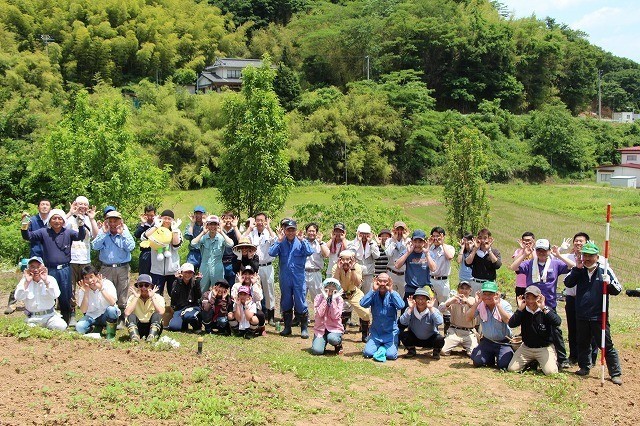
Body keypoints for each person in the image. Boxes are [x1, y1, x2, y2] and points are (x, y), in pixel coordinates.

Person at [509, 238, 575, 368]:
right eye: (539, 250)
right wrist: (524, 253)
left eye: (544, 250)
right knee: (531, 328)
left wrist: (559, 255)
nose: (542, 253)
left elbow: (572, 266)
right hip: (531, 303)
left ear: (549, 250)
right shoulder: (529, 263)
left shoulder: (555, 263)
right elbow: (513, 267)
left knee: (555, 331)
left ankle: (562, 358)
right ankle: (531, 357)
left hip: (548, 303)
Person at [564, 242, 623, 385]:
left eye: (590, 256)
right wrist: (577, 269)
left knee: (606, 344)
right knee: (582, 343)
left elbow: (618, 289)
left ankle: (615, 373)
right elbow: (568, 283)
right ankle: (584, 366)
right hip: (582, 315)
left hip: (599, 316)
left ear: (597, 257)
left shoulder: (604, 270)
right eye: (585, 255)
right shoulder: (578, 270)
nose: (587, 258)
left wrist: (609, 284)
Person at [21, 208, 86, 326]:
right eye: (54, 218)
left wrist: (81, 225)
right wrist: (25, 224)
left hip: (65, 270)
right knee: (48, 294)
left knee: (65, 296)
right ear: (50, 221)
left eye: (60, 218)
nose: (57, 221)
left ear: (63, 221)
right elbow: (28, 236)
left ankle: (66, 321)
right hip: (49, 270)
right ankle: (47, 319)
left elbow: (80, 236)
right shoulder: (43, 232)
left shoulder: (68, 232)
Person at [268, 219, 315, 338]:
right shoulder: (281, 242)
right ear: (284, 230)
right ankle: (287, 328)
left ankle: (304, 329)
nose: (290, 233)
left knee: (300, 302)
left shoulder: (301, 242)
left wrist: (303, 240)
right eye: (288, 230)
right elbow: (271, 253)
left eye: (292, 230)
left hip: (298, 278)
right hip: (285, 278)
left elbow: (309, 252)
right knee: (286, 302)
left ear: (296, 230)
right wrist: (278, 240)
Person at [91, 210, 136, 329]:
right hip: (106, 267)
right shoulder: (103, 232)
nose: (112, 223)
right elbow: (95, 246)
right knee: (106, 291)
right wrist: (104, 233)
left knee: (122, 292)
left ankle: (121, 318)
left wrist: (122, 234)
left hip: (122, 267)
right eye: (110, 221)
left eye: (115, 221)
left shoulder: (124, 232)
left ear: (120, 221)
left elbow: (131, 247)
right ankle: (109, 318)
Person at [7, 199, 52, 316]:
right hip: (36, 254)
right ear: (38, 207)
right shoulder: (32, 220)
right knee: (28, 277)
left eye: (47, 205)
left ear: (50, 208)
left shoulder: (53, 220)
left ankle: (50, 302)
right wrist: (24, 223)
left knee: (47, 278)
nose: (45, 207)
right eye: (42, 204)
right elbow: (26, 236)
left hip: (49, 254)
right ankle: (12, 301)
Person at [507, 286, 560, 375]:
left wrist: (543, 308)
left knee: (551, 372)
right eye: (528, 298)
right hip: (526, 348)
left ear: (539, 297)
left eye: (534, 298)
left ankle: (550, 358)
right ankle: (532, 362)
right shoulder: (523, 310)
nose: (531, 301)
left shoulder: (545, 310)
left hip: (543, 348)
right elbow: (511, 324)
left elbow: (557, 322)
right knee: (512, 369)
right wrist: (519, 309)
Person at [65, 196, 99, 327]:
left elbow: (96, 236)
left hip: (85, 258)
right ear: (75, 204)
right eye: (80, 204)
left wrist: (92, 218)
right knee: (71, 288)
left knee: (88, 286)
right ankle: (72, 314)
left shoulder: (89, 220)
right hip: (71, 258)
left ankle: (88, 314)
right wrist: (70, 213)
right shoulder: (69, 219)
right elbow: (58, 226)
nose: (83, 207)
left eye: (85, 204)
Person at [467, 281, 514, 369]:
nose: (487, 297)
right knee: (477, 362)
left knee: (504, 365)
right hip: (487, 341)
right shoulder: (480, 305)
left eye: (490, 294)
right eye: (485, 294)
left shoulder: (504, 305)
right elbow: (468, 318)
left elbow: (509, 321)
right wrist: (476, 303)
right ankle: (489, 357)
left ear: (496, 294)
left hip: (503, 342)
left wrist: (498, 305)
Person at [360, 273, 405, 361]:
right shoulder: (373, 294)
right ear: (376, 281)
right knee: (367, 353)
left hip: (390, 333)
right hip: (376, 333)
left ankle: (383, 348)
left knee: (391, 355)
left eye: (385, 281)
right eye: (380, 281)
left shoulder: (393, 294)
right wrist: (373, 290)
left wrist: (391, 290)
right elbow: (363, 304)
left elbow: (401, 305)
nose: (382, 284)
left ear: (390, 282)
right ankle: (380, 347)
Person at [13, 256, 67, 331]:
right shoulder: (24, 281)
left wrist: (46, 282)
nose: (35, 270)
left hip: (50, 316)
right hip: (33, 318)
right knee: (30, 331)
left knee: (61, 326)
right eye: (32, 267)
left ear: (43, 268)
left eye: (38, 267)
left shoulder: (51, 279)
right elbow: (18, 297)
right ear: (28, 269)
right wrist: (27, 283)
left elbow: (55, 295)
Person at [332, 250, 371, 342]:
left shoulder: (357, 267)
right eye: (343, 259)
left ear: (352, 259)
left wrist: (352, 269)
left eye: (348, 259)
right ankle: (339, 330)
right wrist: (338, 269)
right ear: (340, 259)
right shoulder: (336, 267)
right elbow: (334, 283)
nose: (345, 261)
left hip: (354, 293)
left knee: (365, 312)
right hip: (340, 293)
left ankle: (365, 332)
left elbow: (357, 283)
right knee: (335, 312)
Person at [245, 212, 277, 324]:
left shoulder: (269, 233)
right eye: (257, 220)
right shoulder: (252, 233)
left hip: (267, 266)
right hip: (254, 266)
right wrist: (250, 227)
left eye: (262, 220)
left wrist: (269, 227)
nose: (259, 223)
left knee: (269, 291)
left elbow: (276, 241)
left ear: (265, 221)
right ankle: (257, 313)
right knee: (255, 290)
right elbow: (242, 239)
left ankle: (271, 315)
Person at [393, 229, 436, 310]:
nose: (417, 244)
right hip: (410, 289)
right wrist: (408, 253)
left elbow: (433, 268)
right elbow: (397, 265)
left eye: (420, 242)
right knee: (406, 314)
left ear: (424, 242)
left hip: (424, 290)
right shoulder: (407, 251)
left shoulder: (428, 253)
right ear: (411, 241)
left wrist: (427, 254)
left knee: (424, 315)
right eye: (415, 241)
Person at [191, 215, 234, 293]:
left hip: (217, 266)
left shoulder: (221, 238)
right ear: (207, 225)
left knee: (218, 290)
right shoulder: (203, 238)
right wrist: (203, 232)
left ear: (218, 225)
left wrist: (221, 232)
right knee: (202, 289)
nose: (212, 227)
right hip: (204, 266)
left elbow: (231, 244)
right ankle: (201, 304)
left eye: (215, 224)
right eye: (210, 224)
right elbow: (193, 243)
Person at [144, 209, 183, 296]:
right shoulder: (154, 229)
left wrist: (174, 230)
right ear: (160, 218)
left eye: (169, 219)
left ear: (173, 220)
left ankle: (174, 309)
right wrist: (156, 226)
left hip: (172, 270)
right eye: (164, 218)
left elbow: (176, 246)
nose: (166, 221)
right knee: (156, 294)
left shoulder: (177, 231)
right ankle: (158, 309)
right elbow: (144, 237)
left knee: (174, 294)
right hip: (157, 270)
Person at [75, 265, 120, 339]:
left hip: (106, 315)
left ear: (97, 276)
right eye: (86, 278)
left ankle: (111, 334)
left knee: (112, 310)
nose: (89, 281)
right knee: (79, 327)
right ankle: (93, 328)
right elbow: (83, 310)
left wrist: (101, 289)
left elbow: (112, 302)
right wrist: (86, 292)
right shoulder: (83, 289)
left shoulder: (107, 284)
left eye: (91, 277)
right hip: (92, 316)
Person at [399, 287, 444, 359]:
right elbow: (402, 322)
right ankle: (411, 350)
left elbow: (439, 322)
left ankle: (436, 352)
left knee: (440, 339)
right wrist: (410, 309)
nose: (420, 301)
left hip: (430, 339)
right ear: (414, 300)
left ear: (427, 300)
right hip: (415, 338)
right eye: (418, 299)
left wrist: (431, 309)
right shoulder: (410, 309)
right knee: (403, 334)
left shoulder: (433, 310)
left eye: (423, 299)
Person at [427, 226, 455, 331]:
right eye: (434, 236)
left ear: (443, 237)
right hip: (430, 280)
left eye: (438, 236)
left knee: (445, 305)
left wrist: (442, 243)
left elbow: (450, 256)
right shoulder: (429, 248)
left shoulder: (448, 247)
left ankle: (447, 331)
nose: (436, 239)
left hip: (443, 280)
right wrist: (429, 244)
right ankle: (433, 331)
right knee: (432, 305)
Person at [440, 281, 478, 357]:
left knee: (474, 354)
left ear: (470, 290)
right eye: (462, 288)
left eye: (466, 289)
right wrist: (449, 302)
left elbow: (477, 312)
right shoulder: (453, 299)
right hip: (454, 331)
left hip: (468, 332)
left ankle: (468, 348)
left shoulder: (473, 300)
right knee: (443, 351)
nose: (464, 291)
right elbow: (441, 309)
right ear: (458, 289)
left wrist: (467, 302)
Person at [124, 274, 165, 342]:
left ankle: (151, 337)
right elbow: (127, 313)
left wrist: (152, 297)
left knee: (157, 315)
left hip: (152, 326)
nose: (143, 288)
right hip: (138, 327)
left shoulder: (158, 297)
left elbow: (161, 312)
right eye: (140, 285)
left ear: (151, 286)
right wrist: (136, 297)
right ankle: (135, 337)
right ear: (137, 287)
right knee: (131, 316)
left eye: (146, 285)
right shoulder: (133, 298)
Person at [311, 278, 345, 355]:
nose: (330, 289)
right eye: (328, 286)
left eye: (333, 287)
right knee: (317, 351)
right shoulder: (318, 297)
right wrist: (325, 299)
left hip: (334, 329)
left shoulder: (339, 300)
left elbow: (335, 316)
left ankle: (338, 344)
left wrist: (333, 299)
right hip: (320, 329)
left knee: (332, 339)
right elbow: (319, 314)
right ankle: (321, 342)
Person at [465, 228, 502, 295]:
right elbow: (467, 263)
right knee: (475, 303)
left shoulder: (494, 252)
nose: (482, 240)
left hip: (489, 284)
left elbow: (497, 265)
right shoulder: (474, 251)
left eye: (485, 238)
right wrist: (475, 249)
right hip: (476, 283)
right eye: (480, 237)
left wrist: (489, 251)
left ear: (489, 239)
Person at [230, 265, 265, 335]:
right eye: (245, 274)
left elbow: (259, 298)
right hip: (239, 307)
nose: (247, 276)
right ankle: (237, 330)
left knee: (260, 314)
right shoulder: (237, 284)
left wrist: (254, 283)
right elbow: (233, 296)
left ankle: (260, 329)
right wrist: (239, 283)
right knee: (230, 313)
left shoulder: (256, 285)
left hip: (252, 308)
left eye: (250, 274)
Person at [167, 263, 202, 332]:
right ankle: (183, 323)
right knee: (174, 327)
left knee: (188, 316)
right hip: (180, 308)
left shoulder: (194, 282)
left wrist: (197, 283)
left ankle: (197, 326)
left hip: (193, 307)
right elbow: (173, 297)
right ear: (181, 272)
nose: (188, 274)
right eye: (185, 272)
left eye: (190, 272)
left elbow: (199, 296)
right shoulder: (176, 282)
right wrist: (179, 282)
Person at [348, 223, 380, 294]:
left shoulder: (373, 243)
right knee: (353, 294)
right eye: (362, 234)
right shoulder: (352, 243)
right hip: (356, 273)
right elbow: (350, 254)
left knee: (368, 294)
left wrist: (370, 242)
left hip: (369, 274)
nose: (364, 236)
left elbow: (377, 256)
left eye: (366, 234)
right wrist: (358, 242)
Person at [304, 223, 329, 305]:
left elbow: (326, 255)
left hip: (315, 273)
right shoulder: (302, 242)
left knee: (317, 298)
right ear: (306, 232)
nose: (311, 233)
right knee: (301, 296)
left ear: (316, 232)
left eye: (313, 231)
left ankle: (318, 317)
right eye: (309, 231)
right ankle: (303, 316)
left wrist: (320, 242)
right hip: (303, 272)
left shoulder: (321, 243)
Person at [385, 221, 410, 296]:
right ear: (393, 230)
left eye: (401, 230)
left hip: (403, 274)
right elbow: (388, 254)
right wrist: (394, 241)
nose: (399, 232)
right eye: (397, 230)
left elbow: (407, 254)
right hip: (391, 272)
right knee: (390, 295)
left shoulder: (408, 241)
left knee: (402, 297)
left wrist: (404, 241)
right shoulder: (389, 241)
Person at [220, 211, 242, 288]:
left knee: (233, 287)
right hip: (221, 262)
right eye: (226, 218)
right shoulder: (220, 231)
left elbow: (241, 240)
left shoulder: (235, 231)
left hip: (233, 262)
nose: (228, 220)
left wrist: (235, 227)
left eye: (230, 218)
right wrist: (220, 227)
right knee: (221, 287)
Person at [133, 205, 156, 275]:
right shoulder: (141, 224)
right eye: (147, 215)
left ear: (155, 214)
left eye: (152, 215)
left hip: (156, 252)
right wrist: (143, 224)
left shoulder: (158, 224)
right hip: (145, 252)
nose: (149, 218)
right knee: (144, 274)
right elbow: (137, 235)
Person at [512, 232, 535, 297]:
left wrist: (531, 250)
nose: (527, 243)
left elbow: (536, 262)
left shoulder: (536, 252)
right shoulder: (518, 251)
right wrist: (523, 250)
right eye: (525, 241)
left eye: (529, 241)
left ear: (533, 241)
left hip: (533, 283)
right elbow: (514, 263)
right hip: (520, 283)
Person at [184, 206, 206, 270]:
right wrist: (192, 223)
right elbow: (187, 236)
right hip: (193, 253)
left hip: (204, 253)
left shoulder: (208, 225)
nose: (198, 216)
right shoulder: (190, 225)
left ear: (204, 214)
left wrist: (205, 223)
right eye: (197, 213)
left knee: (203, 274)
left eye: (200, 214)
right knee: (189, 270)